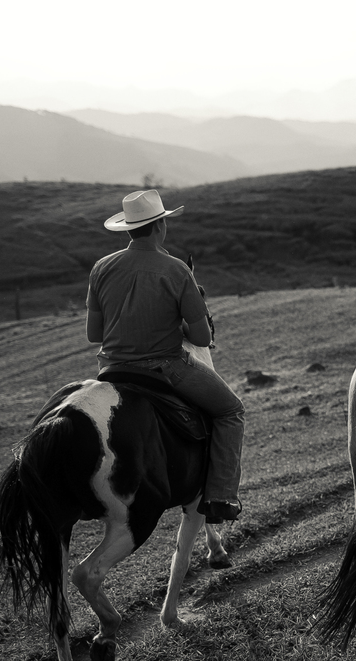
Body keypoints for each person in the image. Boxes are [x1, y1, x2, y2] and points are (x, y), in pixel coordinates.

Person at [87, 189, 244, 521]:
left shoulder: (101, 268)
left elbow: (94, 335)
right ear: (161, 226)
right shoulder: (176, 270)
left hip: (110, 369)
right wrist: (178, 328)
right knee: (231, 411)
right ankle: (220, 498)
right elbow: (201, 337)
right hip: (165, 367)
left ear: (128, 229)